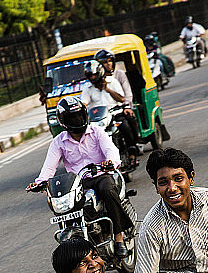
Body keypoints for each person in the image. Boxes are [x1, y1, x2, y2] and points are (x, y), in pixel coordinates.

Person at [26, 96, 132, 258]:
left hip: (101, 175)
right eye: (72, 117)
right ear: (63, 121)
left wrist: (111, 162)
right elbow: (49, 167)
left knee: (107, 190)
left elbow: (110, 149)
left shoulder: (97, 132)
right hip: (78, 182)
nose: (77, 120)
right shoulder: (58, 142)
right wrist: (40, 183)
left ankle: (119, 238)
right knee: (65, 206)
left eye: (79, 116)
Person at [81, 60, 139, 169]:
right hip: (98, 119)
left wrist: (107, 89)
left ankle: (132, 153)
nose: (93, 78)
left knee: (126, 126)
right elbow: (84, 102)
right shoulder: (87, 87)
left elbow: (121, 99)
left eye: (94, 75)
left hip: (115, 113)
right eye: (90, 76)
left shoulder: (112, 81)